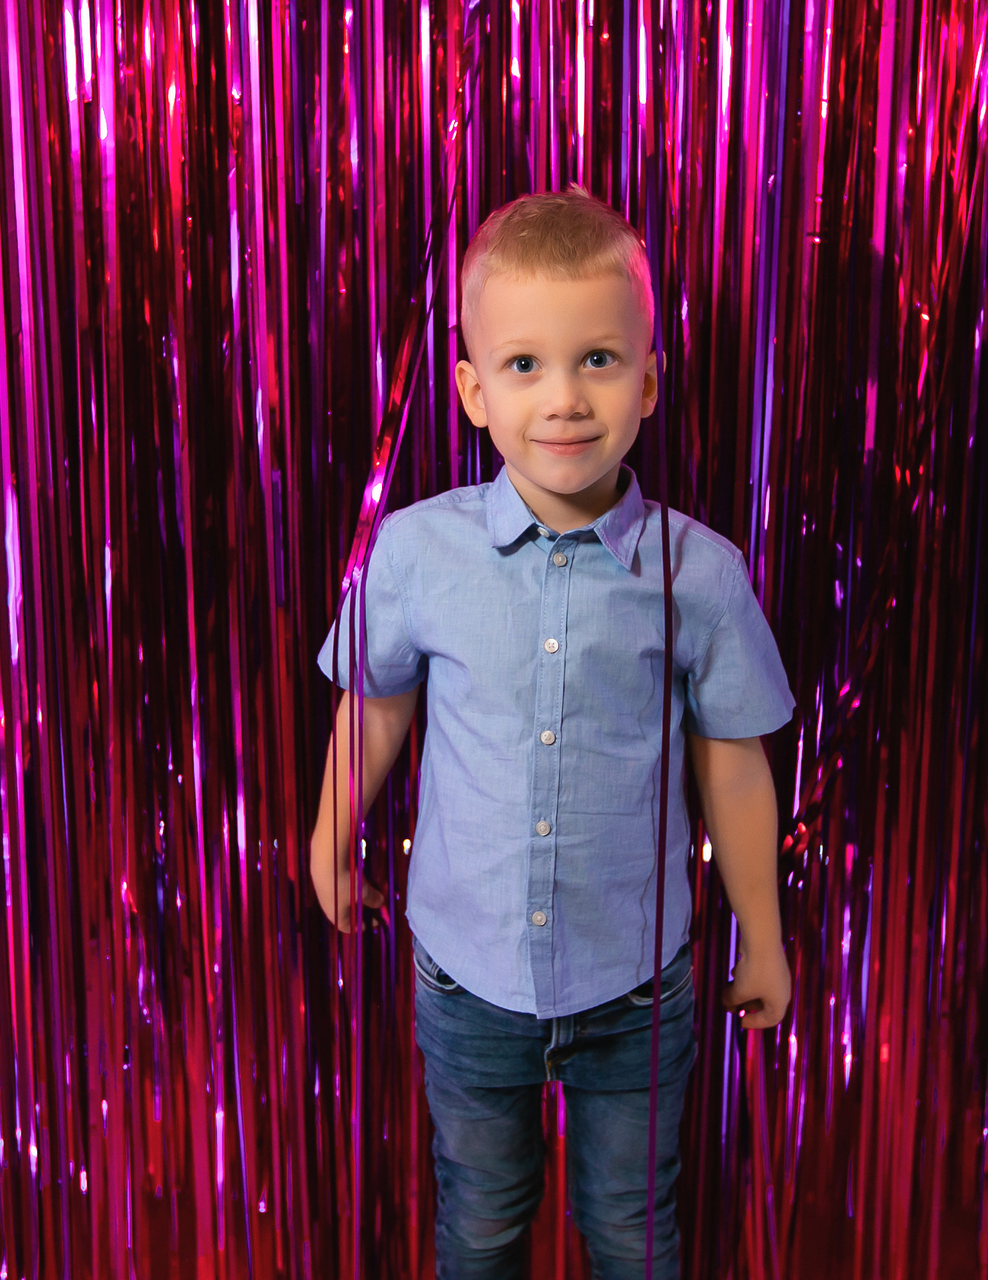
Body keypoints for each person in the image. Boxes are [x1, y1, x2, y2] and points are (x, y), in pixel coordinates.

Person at [309, 186, 795, 1280]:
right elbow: (375, 706)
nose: (564, 398)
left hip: (636, 985)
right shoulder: (417, 552)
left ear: (649, 382)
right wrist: (329, 840)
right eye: (525, 365)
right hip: (468, 977)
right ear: (474, 392)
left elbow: (732, 764)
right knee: (482, 1222)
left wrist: (762, 936)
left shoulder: (699, 573)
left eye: (598, 361)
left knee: (632, 1230)